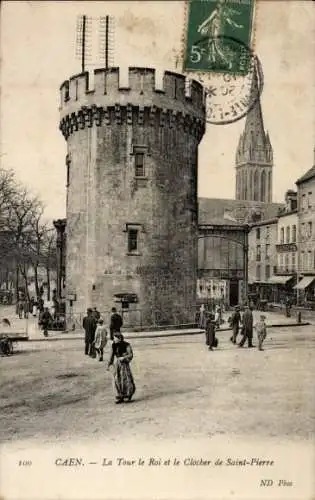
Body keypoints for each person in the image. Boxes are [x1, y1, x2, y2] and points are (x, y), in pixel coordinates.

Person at [107, 332, 136, 404]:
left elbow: (130, 355)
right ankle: (119, 396)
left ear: (119, 338)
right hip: (117, 364)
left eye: (115, 338)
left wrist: (124, 357)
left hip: (124, 364)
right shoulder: (113, 345)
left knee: (126, 379)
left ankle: (127, 395)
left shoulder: (127, 345)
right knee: (116, 379)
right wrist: (109, 364)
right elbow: (111, 355)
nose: (114, 339)